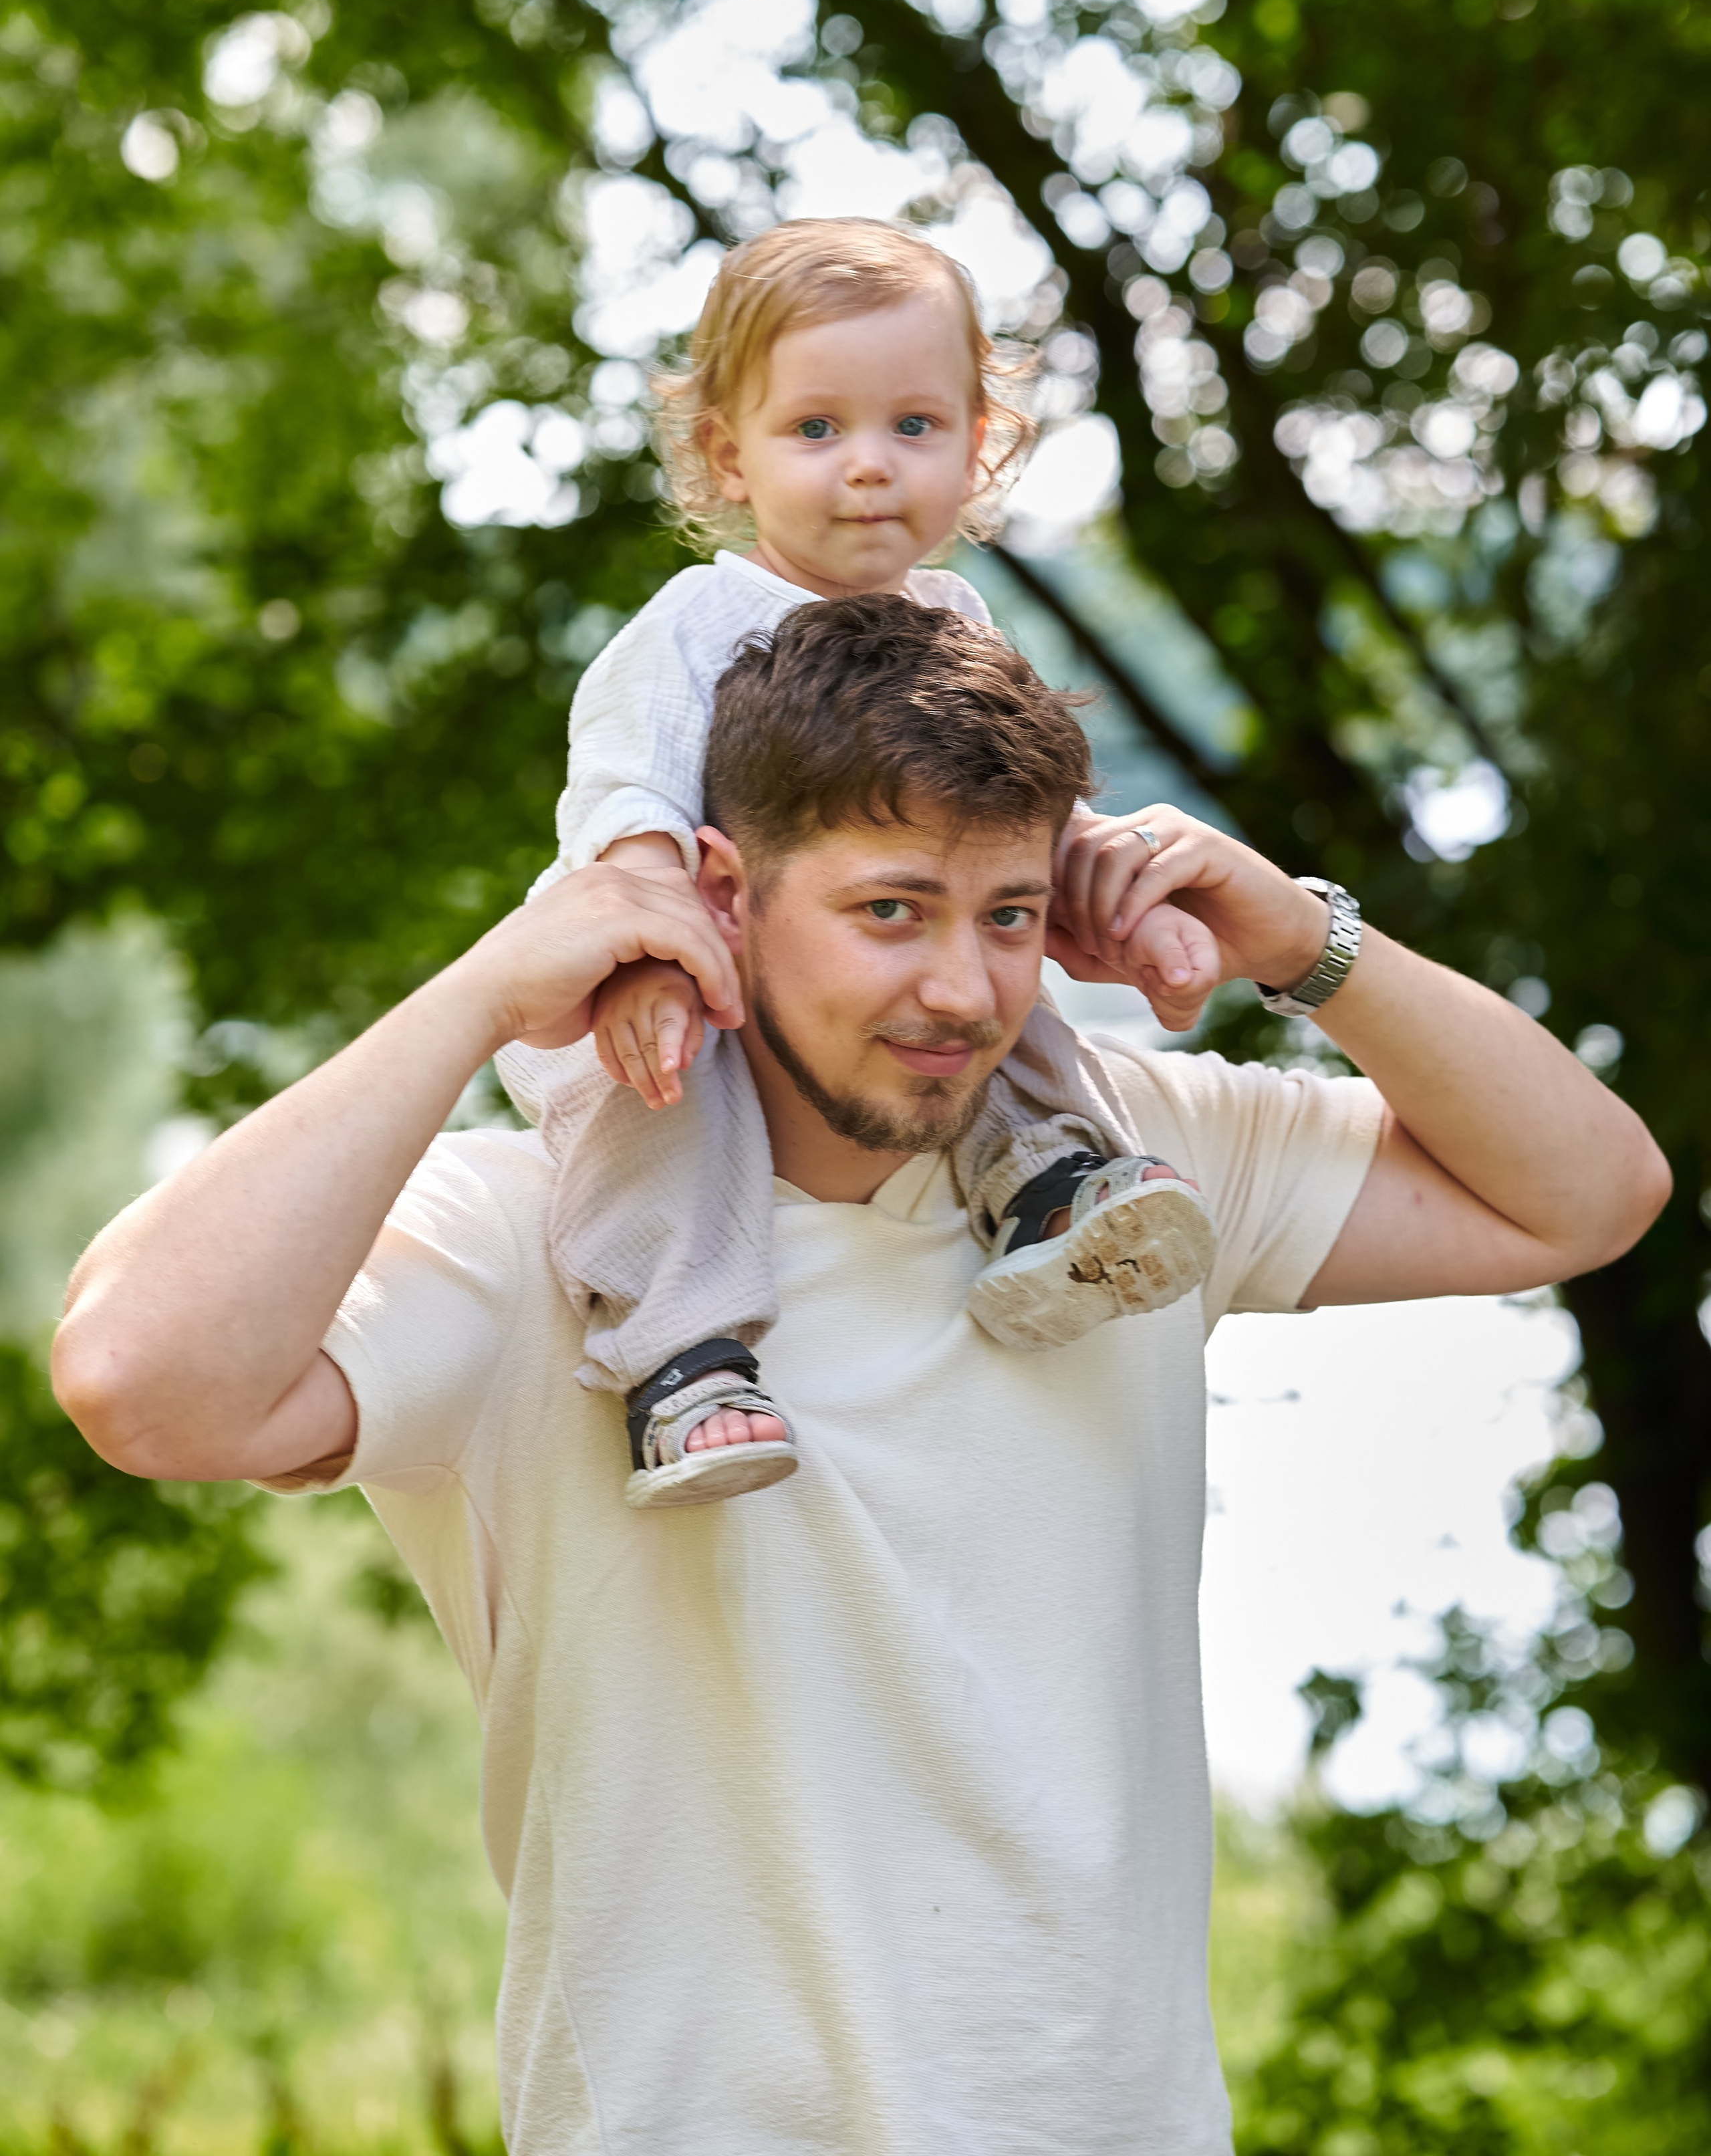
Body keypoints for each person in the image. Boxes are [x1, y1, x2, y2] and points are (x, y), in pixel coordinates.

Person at [57, 595, 1668, 2156]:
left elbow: (1588, 1195)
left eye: (1010, 916)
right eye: (891, 910)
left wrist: (1302, 940)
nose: (962, 992)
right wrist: (490, 986)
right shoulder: (533, 1235)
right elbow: (140, 1381)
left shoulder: (1135, 1166)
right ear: (721, 895)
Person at [509, 217, 1221, 1509]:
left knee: (991, 979)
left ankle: (1047, 1184)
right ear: (730, 453)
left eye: (914, 428)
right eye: (816, 430)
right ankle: (681, 1355)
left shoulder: (958, 620)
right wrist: (650, 952)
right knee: (659, 1112)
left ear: (977, 445)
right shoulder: (697, 628)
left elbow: (1011, 816)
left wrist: (1112, 889)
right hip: (682, 951)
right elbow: (625, 796)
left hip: (885, 954)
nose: (868, 470)